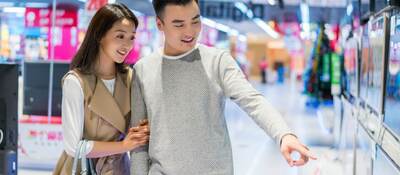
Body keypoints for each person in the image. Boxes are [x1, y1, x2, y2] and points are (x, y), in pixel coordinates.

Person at [130, 0, 317, 174]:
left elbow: (252, 100)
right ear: (159, 24)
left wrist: (284, 135)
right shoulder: (143, 70)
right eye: (179, 24)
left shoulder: (218, 61)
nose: (190, 32)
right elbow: (138, 140)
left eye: (195, 21)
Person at [53, 3, 149, 175]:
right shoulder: (76, 81)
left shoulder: (130, 77)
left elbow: (138, 129)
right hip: (84, 169)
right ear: (99, 35)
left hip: (119, 169)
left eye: (132, 38)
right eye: (120, 36)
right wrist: (123, 146)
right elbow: (73, 147)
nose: (127, 45)